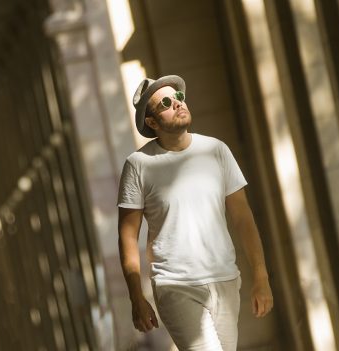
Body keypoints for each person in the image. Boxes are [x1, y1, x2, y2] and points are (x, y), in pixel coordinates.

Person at [117, 75, 273, 351]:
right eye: (166, 102)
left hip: (224, 279)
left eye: (178, 97)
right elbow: (128, 236)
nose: (177, 104)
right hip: (175, 284)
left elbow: (242, 217)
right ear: (152, 122)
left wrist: (261, 276)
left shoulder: (216, 150)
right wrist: (136, 297)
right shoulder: (138, 165)